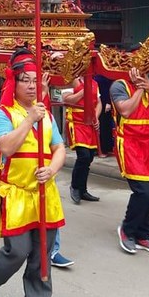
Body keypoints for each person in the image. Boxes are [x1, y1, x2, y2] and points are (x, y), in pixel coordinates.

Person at [0, 50, 68, 297]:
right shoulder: (2, 114)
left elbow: (59, 147)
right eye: (25, 80)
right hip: (17, 193)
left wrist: (52, 168)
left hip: (45, 192)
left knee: (42, 251)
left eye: (34, 80)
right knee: (17, 252)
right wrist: (30, 118)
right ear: (13, 83)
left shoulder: (48, 116)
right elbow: (6, 147)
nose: (31, 85)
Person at [111, 67, 149, 255]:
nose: (142, 73)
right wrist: (140, 89)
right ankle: (127, 230)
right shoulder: (119, 86)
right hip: (130, 143)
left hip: (148, 144)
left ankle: (143, 233)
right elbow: (125, 111)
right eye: (138, 68)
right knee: (142, 191)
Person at [63, 76, 102, 205]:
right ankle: (74, 186)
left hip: (90, 123)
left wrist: (95, 117)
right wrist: (82, 91)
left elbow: (99, 102)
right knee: (83, 155)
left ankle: (82, 189)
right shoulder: (72, 79)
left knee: (90, 156)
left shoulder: (95, 83)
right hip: (77, 122)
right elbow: (67, 100)